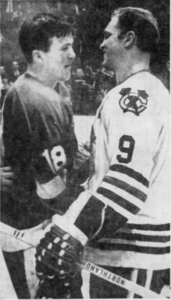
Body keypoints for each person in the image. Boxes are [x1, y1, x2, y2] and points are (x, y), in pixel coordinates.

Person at [36, 7, 170, 298]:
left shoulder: (135, 97)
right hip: (121, 255)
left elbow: (127, 184)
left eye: (108, 35)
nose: (101, 43)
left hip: (132, 256)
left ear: (129, 39)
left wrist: (69, 233)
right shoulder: (137, 92)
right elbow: (110, 170)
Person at [2, 13, 82, 298]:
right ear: (38, 55)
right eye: (64, 48)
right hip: (34, 231)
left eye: (72, 45)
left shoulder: (53, 90)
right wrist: (81, 223)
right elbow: (51, 187)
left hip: (47, 227)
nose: (73, 54)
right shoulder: (34, 97)